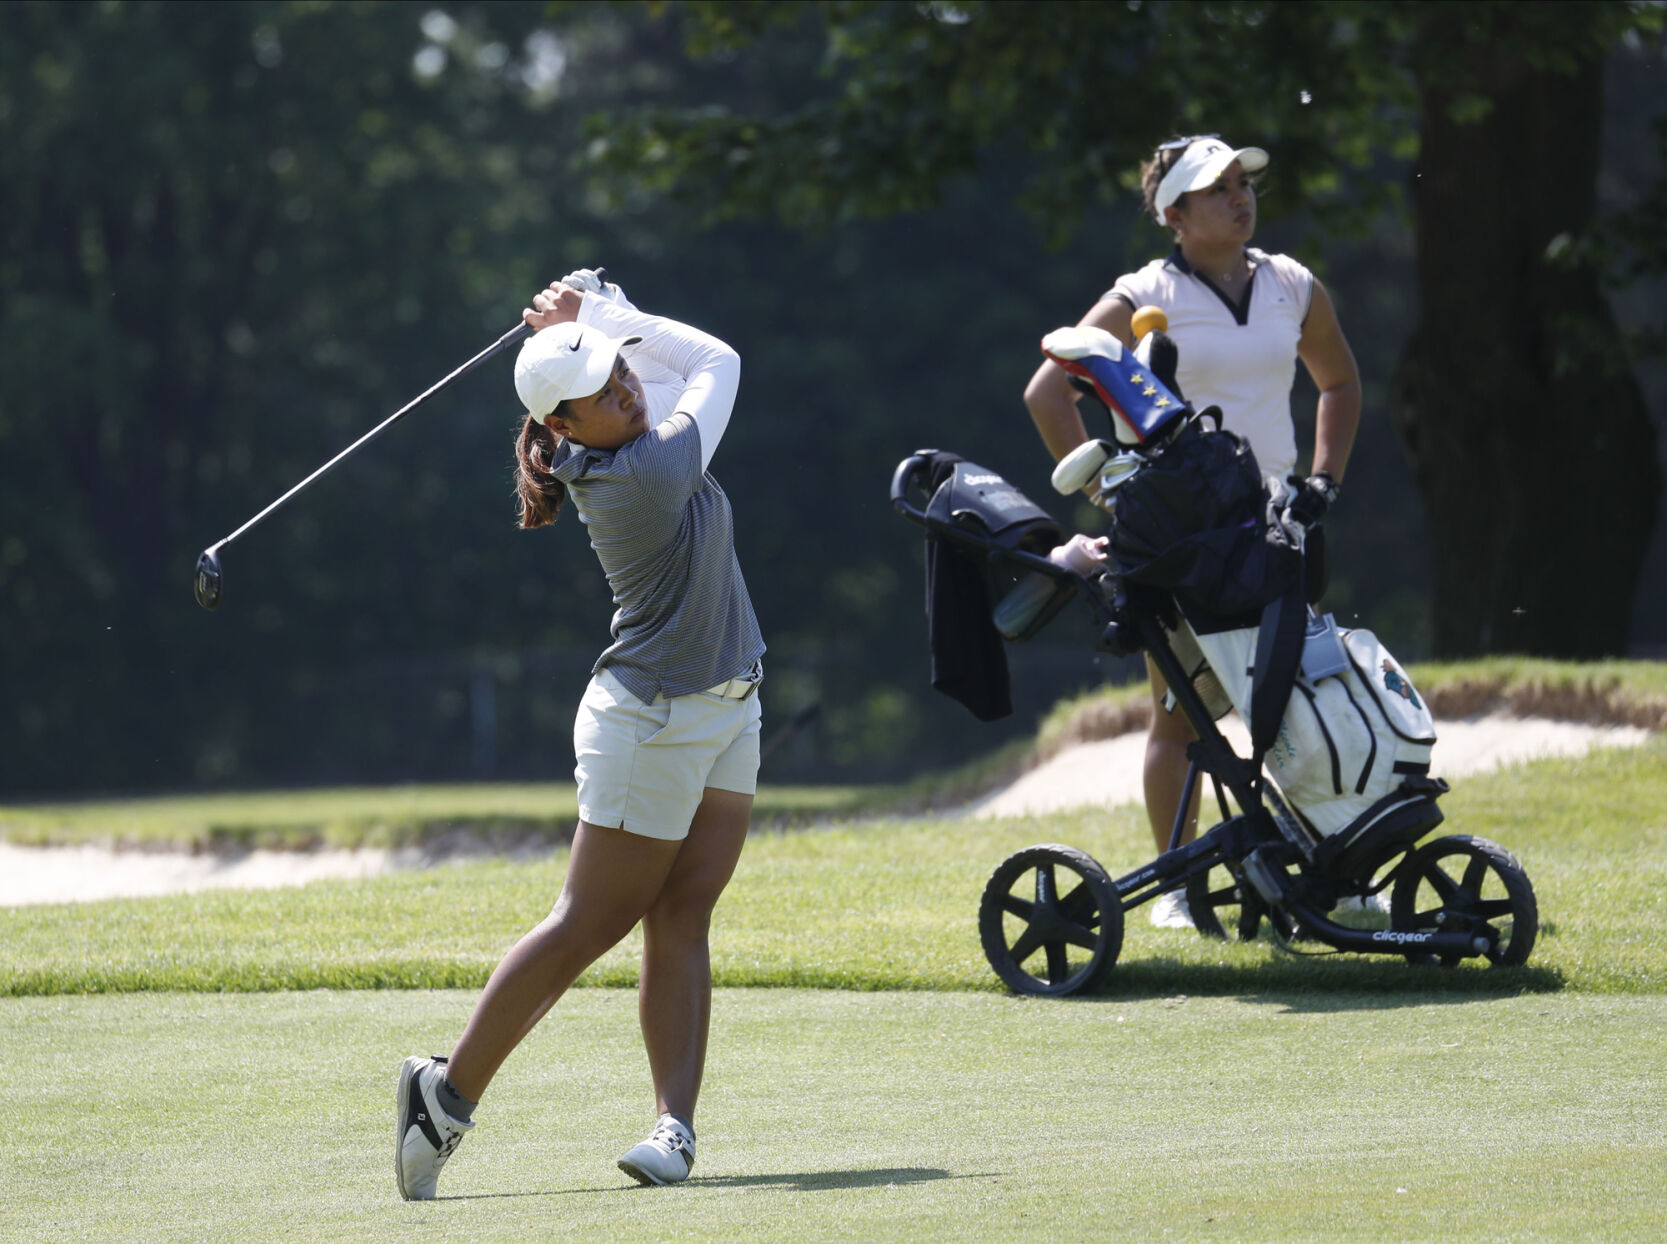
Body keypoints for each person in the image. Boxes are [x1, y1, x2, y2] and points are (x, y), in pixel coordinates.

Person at [396, 269, 766, 1197]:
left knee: (685, 912)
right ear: (560, 428)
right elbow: (714, 363)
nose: (624, 390)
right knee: (587, 924)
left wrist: (598, 319)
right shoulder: (641, 472)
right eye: (600, 392)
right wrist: (603, 315)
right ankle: (444, 1096)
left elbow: (674, 380)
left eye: (619, 375)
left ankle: (673, 1129)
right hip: (652, 720)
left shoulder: (637, 434)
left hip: (727, 702)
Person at [1023, 135, 1361, 928]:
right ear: (1173, 212)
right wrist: (1117, 492)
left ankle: (1336, 872)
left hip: (1280, 523)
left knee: (1305, 699)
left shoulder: (1291, 285)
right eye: (1216, 189)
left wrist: (1323, 480)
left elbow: (1338, 382)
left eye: (1243, 184)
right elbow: (1050, 391)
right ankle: (1177, 891)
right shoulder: (1145, 291)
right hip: (1185, 537)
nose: (1239, 197)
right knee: (1179, 715)